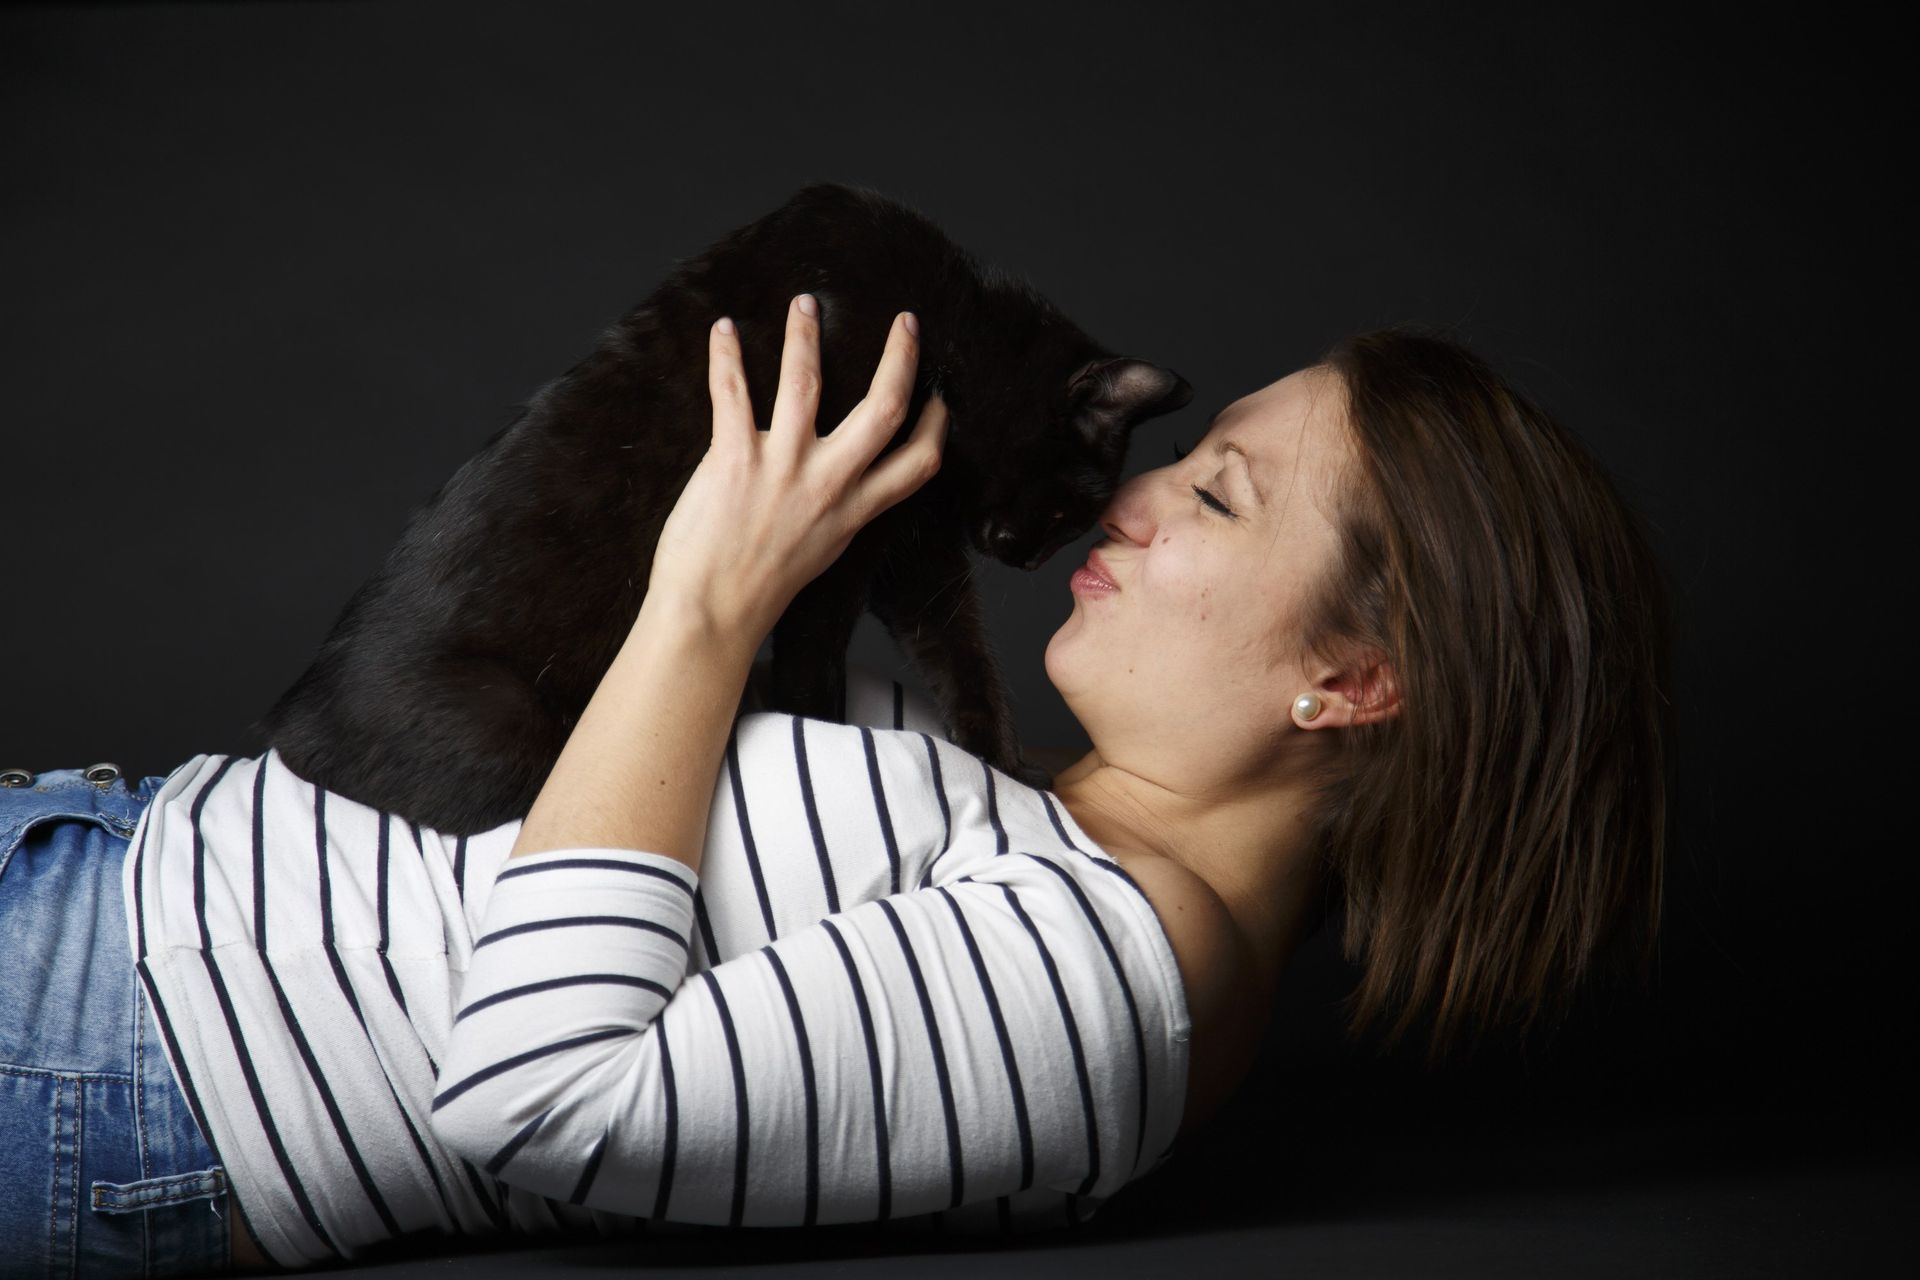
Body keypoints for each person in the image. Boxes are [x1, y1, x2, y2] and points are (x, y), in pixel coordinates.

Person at [0, 296, 1671, 1277]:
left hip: (111, 1040)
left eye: (1219, 498)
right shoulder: (1057, 835)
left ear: (1354, 682)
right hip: (101, 877)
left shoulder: (1101, 992)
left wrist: (707, 601)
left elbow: (544, 1097)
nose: (1135, 499)